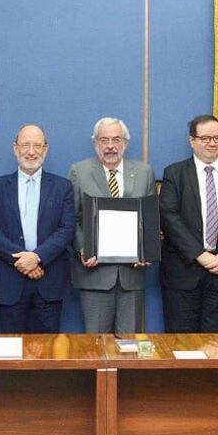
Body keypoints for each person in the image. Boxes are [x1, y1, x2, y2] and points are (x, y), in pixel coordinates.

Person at [159, 114, 218, 332]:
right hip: (183, 273)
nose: (212, 143)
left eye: (217, 138)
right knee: (181, 344)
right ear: (192, 141)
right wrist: (200, 255)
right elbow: (168, 216)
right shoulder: (175, 173)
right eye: (205, 138)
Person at [0, 124, 74, 333]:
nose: (31, 151)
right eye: (25, 145)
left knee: (48, 354)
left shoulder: (63, 187)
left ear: (46, 149)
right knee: (12, 353)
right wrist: (22, 259)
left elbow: (66, 229)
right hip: (10, 281)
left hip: (49, 280)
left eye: (37, 145)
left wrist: (37, 257)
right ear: (15, 148)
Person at [68, 117, 156, 333]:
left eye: (116, 139)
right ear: (95, 143)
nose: (110, 146)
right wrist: (82, 249)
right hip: (94, 275)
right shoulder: (79, 171)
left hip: (132, 276)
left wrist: (147, 251)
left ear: (125, 142)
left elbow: (151, 217)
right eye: (104, 140)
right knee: (97, 347)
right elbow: (71, 217)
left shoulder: (144, 172)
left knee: (130, 346)